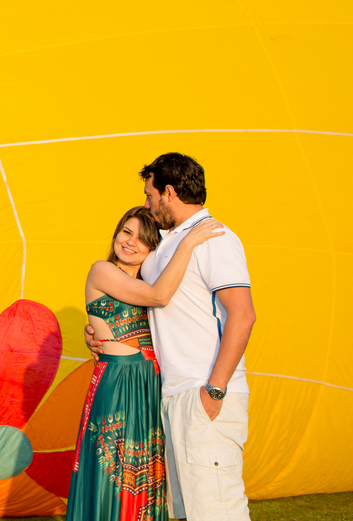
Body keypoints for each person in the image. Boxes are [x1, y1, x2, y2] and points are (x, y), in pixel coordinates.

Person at [86, 153, 257, 521]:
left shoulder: (213, 237)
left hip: (203, 390)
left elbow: (243, 315)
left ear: (168, 192)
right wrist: (98, 328)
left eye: (150, 196)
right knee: (190, 509)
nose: (147, 204)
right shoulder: (165, 245)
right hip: (168, 394)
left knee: (217, 508)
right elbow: (143, 305)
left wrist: (215, 389)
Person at [68, 206, 223, 521]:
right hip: (118, 382)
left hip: (151, 384)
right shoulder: (103, 269)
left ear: (153, 247)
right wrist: (189, 242)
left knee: (149, 472)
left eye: (143, 239)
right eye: (126, 232)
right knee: (112, 470)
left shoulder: (151, 279)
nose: (130, 242)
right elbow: (157, 296)